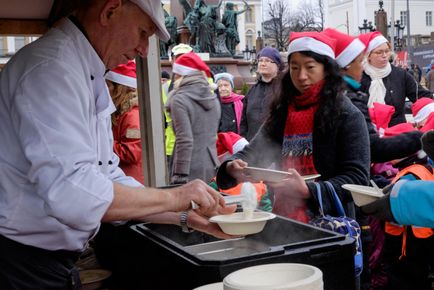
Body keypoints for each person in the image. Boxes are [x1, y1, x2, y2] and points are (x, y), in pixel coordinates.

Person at [0, 1, 235, 288]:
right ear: (110, 11)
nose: (144, 50)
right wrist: (176, 197)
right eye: (142, 33)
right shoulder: (52, 69)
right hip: (20, 263)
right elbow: (74, 194)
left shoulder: (81, 68)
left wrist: (184, 216)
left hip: (41, 260)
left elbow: (107, 175)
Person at [217, 31, 370, 224]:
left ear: (327, 69)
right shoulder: (283, 111)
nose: (301, 76)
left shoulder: (347, 115)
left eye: (310, 67)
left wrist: (309, 190)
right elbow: (253, 152)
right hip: (285, 219)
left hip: (332, 225)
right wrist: (232, 166)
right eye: (294, 67)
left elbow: (357, 179)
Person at [167, 52, 221, 184]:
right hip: (211, 164)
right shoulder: (212, 97)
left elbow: (184, 140)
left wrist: (180, 175)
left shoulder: (179, 99)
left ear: (180, 74)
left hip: (188, 167)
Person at [359, 31, 433, 127]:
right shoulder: (360, 76)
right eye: (379, 52)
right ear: (368, 55)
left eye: (387, 51)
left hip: (398, 133)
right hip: (368, 132)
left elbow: (422, 95)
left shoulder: (400, 75)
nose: (384, 55)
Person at [105, 60, 144, 184]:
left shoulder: (132, 115)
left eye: (108, 85)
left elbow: (132, 153)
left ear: (119, 89)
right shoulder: (121, 111)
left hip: (130, 179)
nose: (106, 90)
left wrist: (102, 142)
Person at [240, 47, 283, 141]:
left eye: (268, 61)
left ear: (278, 65)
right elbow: (243, 122)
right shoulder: (252, 91)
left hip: (276, 148)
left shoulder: (284, 89)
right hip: (252, 147)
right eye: (260, 60)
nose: (263, 64)